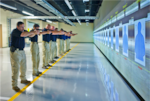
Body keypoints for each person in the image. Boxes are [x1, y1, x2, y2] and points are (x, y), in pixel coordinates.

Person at [10, 21, 40, 91]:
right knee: (15, 69)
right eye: (21, 27)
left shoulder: (23, 31)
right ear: (17, 26)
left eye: (23, 27)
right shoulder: (15, 31)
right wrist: (33, 32)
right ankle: (14, 85)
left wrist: (34, 33)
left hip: (22, 51)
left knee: (24, 67)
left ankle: (23, 79)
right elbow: (23, 34)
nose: (23, 28)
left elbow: (30, 35)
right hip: (15, 52)